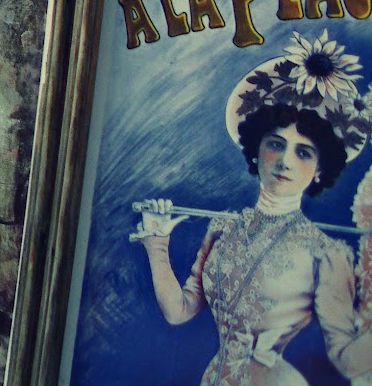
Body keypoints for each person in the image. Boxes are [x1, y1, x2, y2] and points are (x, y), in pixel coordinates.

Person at [131, 38, 372, 384]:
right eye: (276, 144)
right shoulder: (223, 229)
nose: (285, 161)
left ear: (320, 169)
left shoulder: (327, 254)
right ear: (257, 151)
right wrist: (157, 241)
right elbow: (178, 312)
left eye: (303, 153)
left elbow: (347, 360)